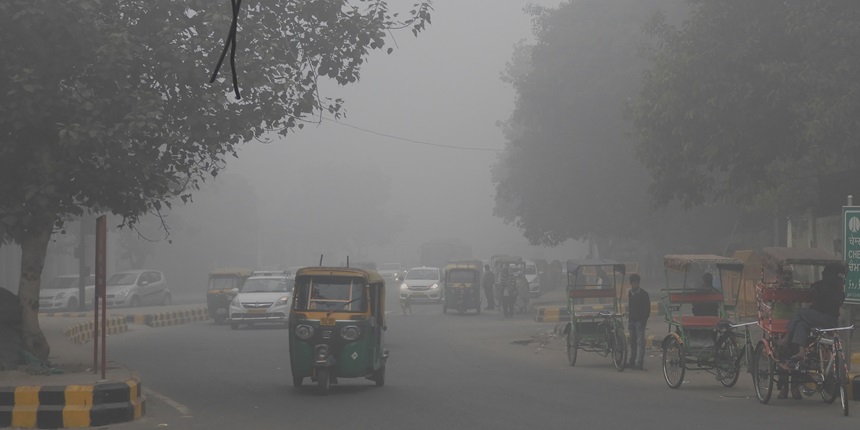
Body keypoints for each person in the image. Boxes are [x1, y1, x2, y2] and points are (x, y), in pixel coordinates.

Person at [779, 264, 845, 360]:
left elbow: (822, 305)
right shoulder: (836, 285)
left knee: (799, 313)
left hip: (826, 318)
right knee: (802, 323)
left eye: (825, 272)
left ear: (831, 274)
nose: (823, 273)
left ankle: (787, 338)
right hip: (824, 318)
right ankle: (801, 351)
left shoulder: (830, 287)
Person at [627, 274, 650, 370]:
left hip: (640, 322)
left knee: (640, 343)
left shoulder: (644, 294)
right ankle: (632, 361)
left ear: (638, 283)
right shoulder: (630, 294)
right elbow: (630, 307)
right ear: (631, 283)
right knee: (632, 342)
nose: (635, 285)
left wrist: (643, 320)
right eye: (633, 283)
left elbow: (647, 309)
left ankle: (639, 363)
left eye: (636, 283)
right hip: (632, 321)